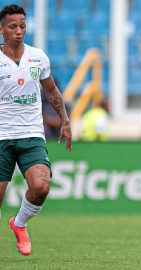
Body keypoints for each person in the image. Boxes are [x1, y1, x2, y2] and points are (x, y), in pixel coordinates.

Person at [0, 5, 72, 256]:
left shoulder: (37, 57)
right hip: (1, 136)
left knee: (41, 186)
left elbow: (51, 91)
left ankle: (19, 224)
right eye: (12, 27)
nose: (19, 31)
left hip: (31, 133)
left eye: (22, 26)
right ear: (1, 30)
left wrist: (65, 120)